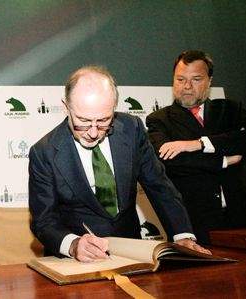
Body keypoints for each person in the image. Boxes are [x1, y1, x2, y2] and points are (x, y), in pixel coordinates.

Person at [28, 65, 209, 262]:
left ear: (114, 108)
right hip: (77, 261)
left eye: (104, 120)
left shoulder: (132, 128)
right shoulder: (44, 152)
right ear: (66, 107)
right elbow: (43, 221)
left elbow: (159, 185)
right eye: (83, 121)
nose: (94, 132)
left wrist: (182, 235)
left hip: (130, 252)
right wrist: (73, 245)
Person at [146, 50, 246, 243]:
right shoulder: (159, 120)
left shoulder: (230, 109)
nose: (187, 86)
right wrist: (222, 160)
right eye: (180, 79)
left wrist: (197, 144)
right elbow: (170, 161)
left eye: (196, 79)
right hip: (196, 220)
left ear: (209, 81)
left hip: (244, 214)